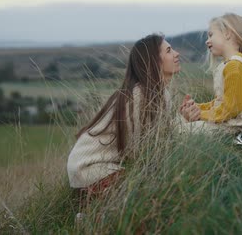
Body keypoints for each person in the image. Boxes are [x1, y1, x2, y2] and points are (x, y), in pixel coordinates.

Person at [67, 34, 181, 203]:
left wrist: (184, 118)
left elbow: (159, 138)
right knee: (148, 197)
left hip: (104, 168)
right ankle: (92, 221)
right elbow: (140, 152)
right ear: (153, 61)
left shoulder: (160, 93)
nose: (177, 54)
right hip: (88, 169)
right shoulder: (140, 96)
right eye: (169, 51)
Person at [180, 13, 242, 136]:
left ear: (227, 33)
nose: (207, 41)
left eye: (211, 35)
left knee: (180, 130)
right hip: (226, 124)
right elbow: (222, 103)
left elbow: (230, 110)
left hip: (233, 128)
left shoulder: (235, 67)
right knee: (179, 121)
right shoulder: (230, 64)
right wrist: (198, 108)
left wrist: (200, 115)